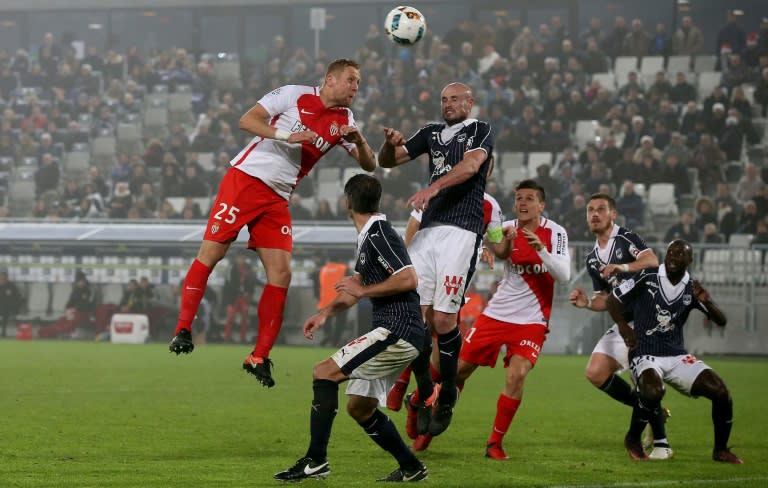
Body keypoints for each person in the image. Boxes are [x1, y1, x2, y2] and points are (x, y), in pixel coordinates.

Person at [168, 58, 377, 389]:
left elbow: (371, 165)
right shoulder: (294, 94)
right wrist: (287, 136)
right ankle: (183, 329)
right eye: (351, 80)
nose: (356, 87)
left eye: (358, 83)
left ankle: (259, 356)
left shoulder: (345, 120)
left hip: (278, 198)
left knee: (281, 274)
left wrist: (361, 139)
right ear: (330, 80)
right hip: (246, 180)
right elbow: (247, 121)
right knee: (212, 253)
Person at [274, 174, 430, 482]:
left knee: (323, 372)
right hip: (396, 331)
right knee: (360, 408)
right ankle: (412, 467)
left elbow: (409, 279)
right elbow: (355, 287)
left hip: (397, 330)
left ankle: (315, 460)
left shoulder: (379, 234)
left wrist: (364, 292)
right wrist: (324, 314)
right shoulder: (368, 236)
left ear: (347, 203)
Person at [378, 82, 494, 435]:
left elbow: (472, 167)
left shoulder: (479, 130)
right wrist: (390, 143)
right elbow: (387, 162)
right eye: (444, 100)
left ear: (470, 103)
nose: (448, 104)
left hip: (461, 232)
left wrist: (433, 186)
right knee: (413, 318)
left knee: (444, 322)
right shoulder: (430, 133)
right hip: (427, 232)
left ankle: (446, 397)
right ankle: (425, 393)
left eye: (455, 99)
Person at [454, 179, 570, 460]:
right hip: (496, 314)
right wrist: (488, 247)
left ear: (541, 205)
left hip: (532, 320)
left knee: (516, 375)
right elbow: (491, 243)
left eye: (530, 198)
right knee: (457, 371)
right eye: (519, 198)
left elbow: (564, 276)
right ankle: (430, 419)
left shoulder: (555, 233)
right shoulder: (505, 229)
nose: (523, 203)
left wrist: (541, 248)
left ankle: (495, 443)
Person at [606, 240, 743, 464]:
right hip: (644, 352)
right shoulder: (647, 276)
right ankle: (632, 438)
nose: (673, 256)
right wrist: (622, 327)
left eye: (680, 254)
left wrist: (708, 302)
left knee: (721, 392)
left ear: (690, 261)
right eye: (671, 252)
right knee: (653, 392)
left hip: (676, 356)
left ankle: (721, 450)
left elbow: (721, 320)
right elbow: (613, 300)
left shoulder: (692, 288)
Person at [569, 193, 672, 460]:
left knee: (645, 382)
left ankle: (661, 445)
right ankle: (652, 412)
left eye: (601, 209)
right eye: (590, 209)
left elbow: (652, 262)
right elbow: (605, 299)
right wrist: (587, 303)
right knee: (595, 372)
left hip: (648, 319)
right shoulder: (592, 258)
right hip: (624, 322)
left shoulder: (627, 238)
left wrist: (622, 266)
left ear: (612, 214)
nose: (594, 214)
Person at [38, 271, 95, 338]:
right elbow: (70, 302)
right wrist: (68, 310)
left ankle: (51, 333)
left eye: (82, 281)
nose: (81, 283)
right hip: (74, 313)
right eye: (80, 281)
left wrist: (74, 310)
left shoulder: (87, 291)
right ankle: (44, 332)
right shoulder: (76, 290)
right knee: (61, 321)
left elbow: (86, 305)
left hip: (82, 314)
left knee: (68, 324)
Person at [221, 252, 261, 343]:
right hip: (233, 298)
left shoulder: (248, 269)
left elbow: (254, 280)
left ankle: (242, 337)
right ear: (236, 258)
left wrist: (264, 285)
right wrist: (241, 292)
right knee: (230, 318)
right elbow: (229, 284)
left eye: (243, 258)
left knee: (244, 318)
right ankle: (227, 337)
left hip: (243, 298)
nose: (242, 260)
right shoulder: (231, 268)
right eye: (240, 258)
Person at [314, 257, 348, 346]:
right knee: (340, 322)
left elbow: (316, 286)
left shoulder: (322, 269)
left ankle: (327, 337)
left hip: (325, 302)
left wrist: (318, 297)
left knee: (326, 322)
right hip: (340, 301)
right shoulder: (344, 268)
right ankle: (335, 341)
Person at [0, 271, 22, 337]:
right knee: (4, 317)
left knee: (12, 317)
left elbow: (17, 296)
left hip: (10, 306)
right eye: (1, 278)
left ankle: (19, 332)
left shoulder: (11, 286)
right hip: (2, 306)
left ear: (6, 278)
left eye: (3, 278)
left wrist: (15, 305)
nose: (2, 279)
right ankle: (3, 333)